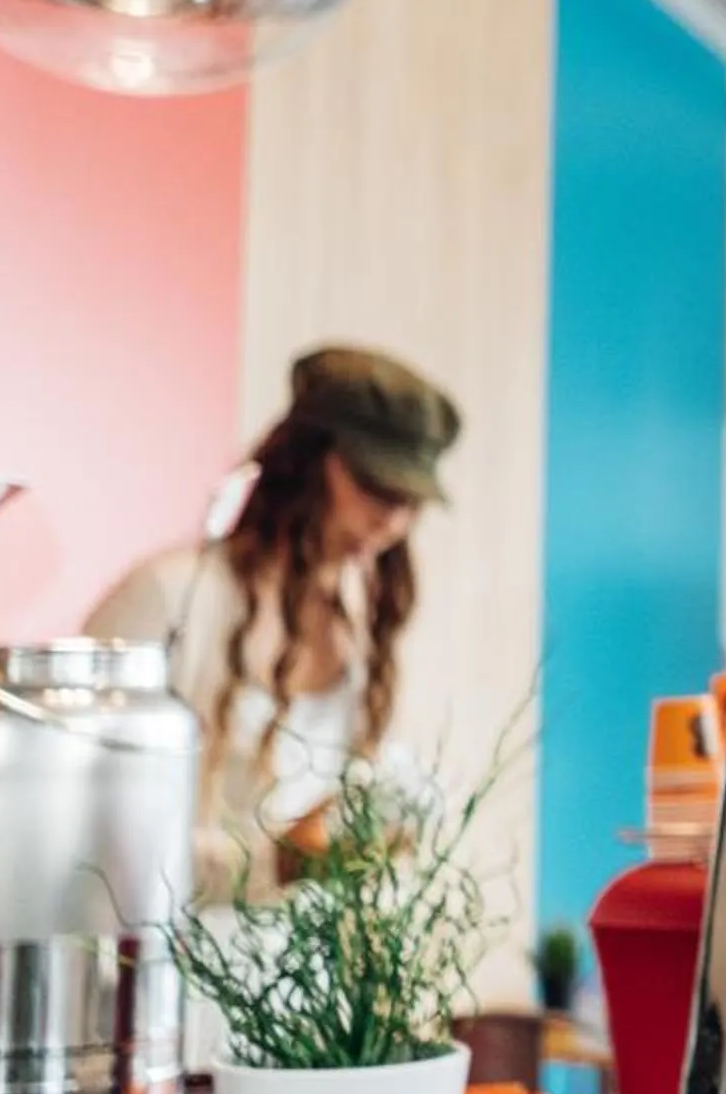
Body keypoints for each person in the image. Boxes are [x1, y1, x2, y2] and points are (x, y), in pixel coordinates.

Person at [88, 345, 458, 901]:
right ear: (304, 462)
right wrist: (270, 864)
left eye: (410, 501)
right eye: (374, 486)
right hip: (172, 963)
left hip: (302, 973)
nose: (391, 521)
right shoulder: (173, 597)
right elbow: (82, 820)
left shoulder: (361, 628)